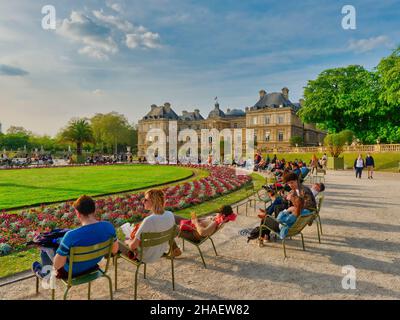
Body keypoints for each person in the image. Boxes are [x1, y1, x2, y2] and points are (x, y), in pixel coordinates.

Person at [32, 195, 119, 279]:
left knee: (45, 246)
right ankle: (44, 272)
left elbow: (57, 265)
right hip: (92, 265)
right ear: (94, 210)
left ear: (77, 213)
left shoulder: (71, 236)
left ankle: (44, 273)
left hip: (70, 273)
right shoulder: (109, 227)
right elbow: (114, 250)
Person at [121, 189, 178, 262]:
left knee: (120, 239)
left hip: (145, 257)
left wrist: (127, 241)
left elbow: (132, 246)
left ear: (153, 202)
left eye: (145, 200)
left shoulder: (148, 220)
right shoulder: (170, 214)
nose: (143, 201)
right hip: (160, 252)